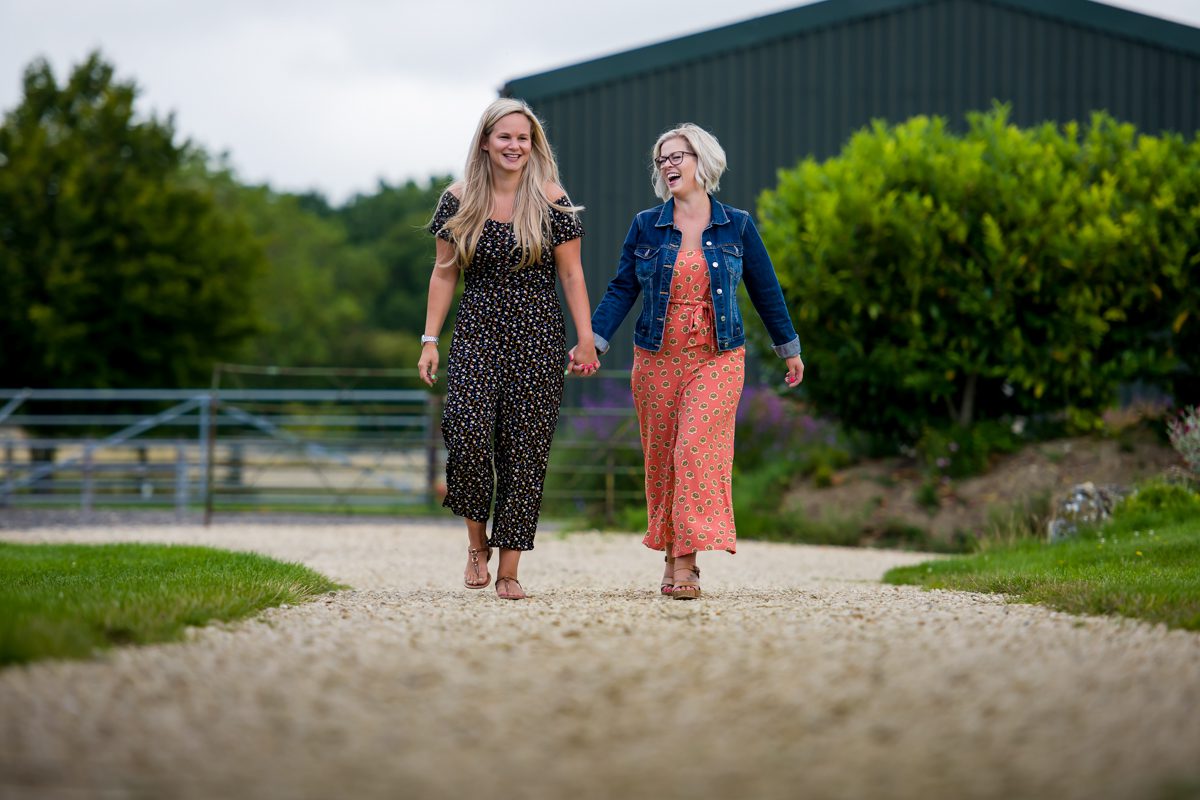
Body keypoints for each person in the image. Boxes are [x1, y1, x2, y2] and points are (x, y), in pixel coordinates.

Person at [582, 123, 804, 600]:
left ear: (703, 160)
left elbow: (766, 290)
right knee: (664, 458)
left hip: (718, 354)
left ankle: (686, 564)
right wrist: (594, 341)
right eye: (662, 158)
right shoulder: (646, 224)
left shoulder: (737, 225)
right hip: (657, 354)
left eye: (677, 155)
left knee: (694, 449)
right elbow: (623, 287)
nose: (668, 164)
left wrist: (789, 348)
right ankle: (672, 552)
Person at [420, 98, 599, 600]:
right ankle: (477, 545)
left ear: (533, 144)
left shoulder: (551, 199)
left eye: (523, 138)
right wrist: (430, 339)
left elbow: (572, 273)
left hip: (538, 335)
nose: (514, 146)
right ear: (485, 142)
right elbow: (444, 272)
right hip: (477, 332)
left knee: (525, 451)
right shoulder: (457, 200)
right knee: (468, 430)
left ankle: (510, 570)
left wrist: (585, 337)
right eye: (505, 137)